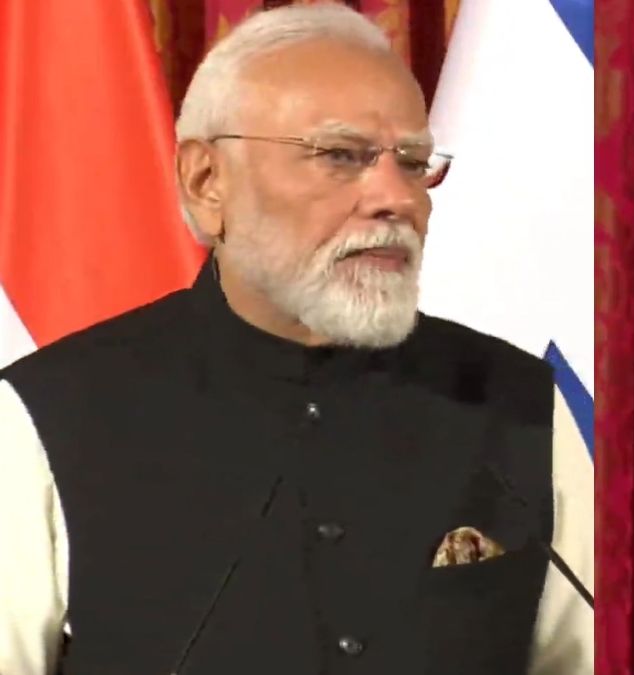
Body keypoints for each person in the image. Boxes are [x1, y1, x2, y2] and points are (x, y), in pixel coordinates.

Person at [0, 4, 592, 675]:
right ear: (206, 181)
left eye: (413, 163)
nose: (397, 198)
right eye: (340, 156)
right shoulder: (49, 414)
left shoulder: (518, 404)